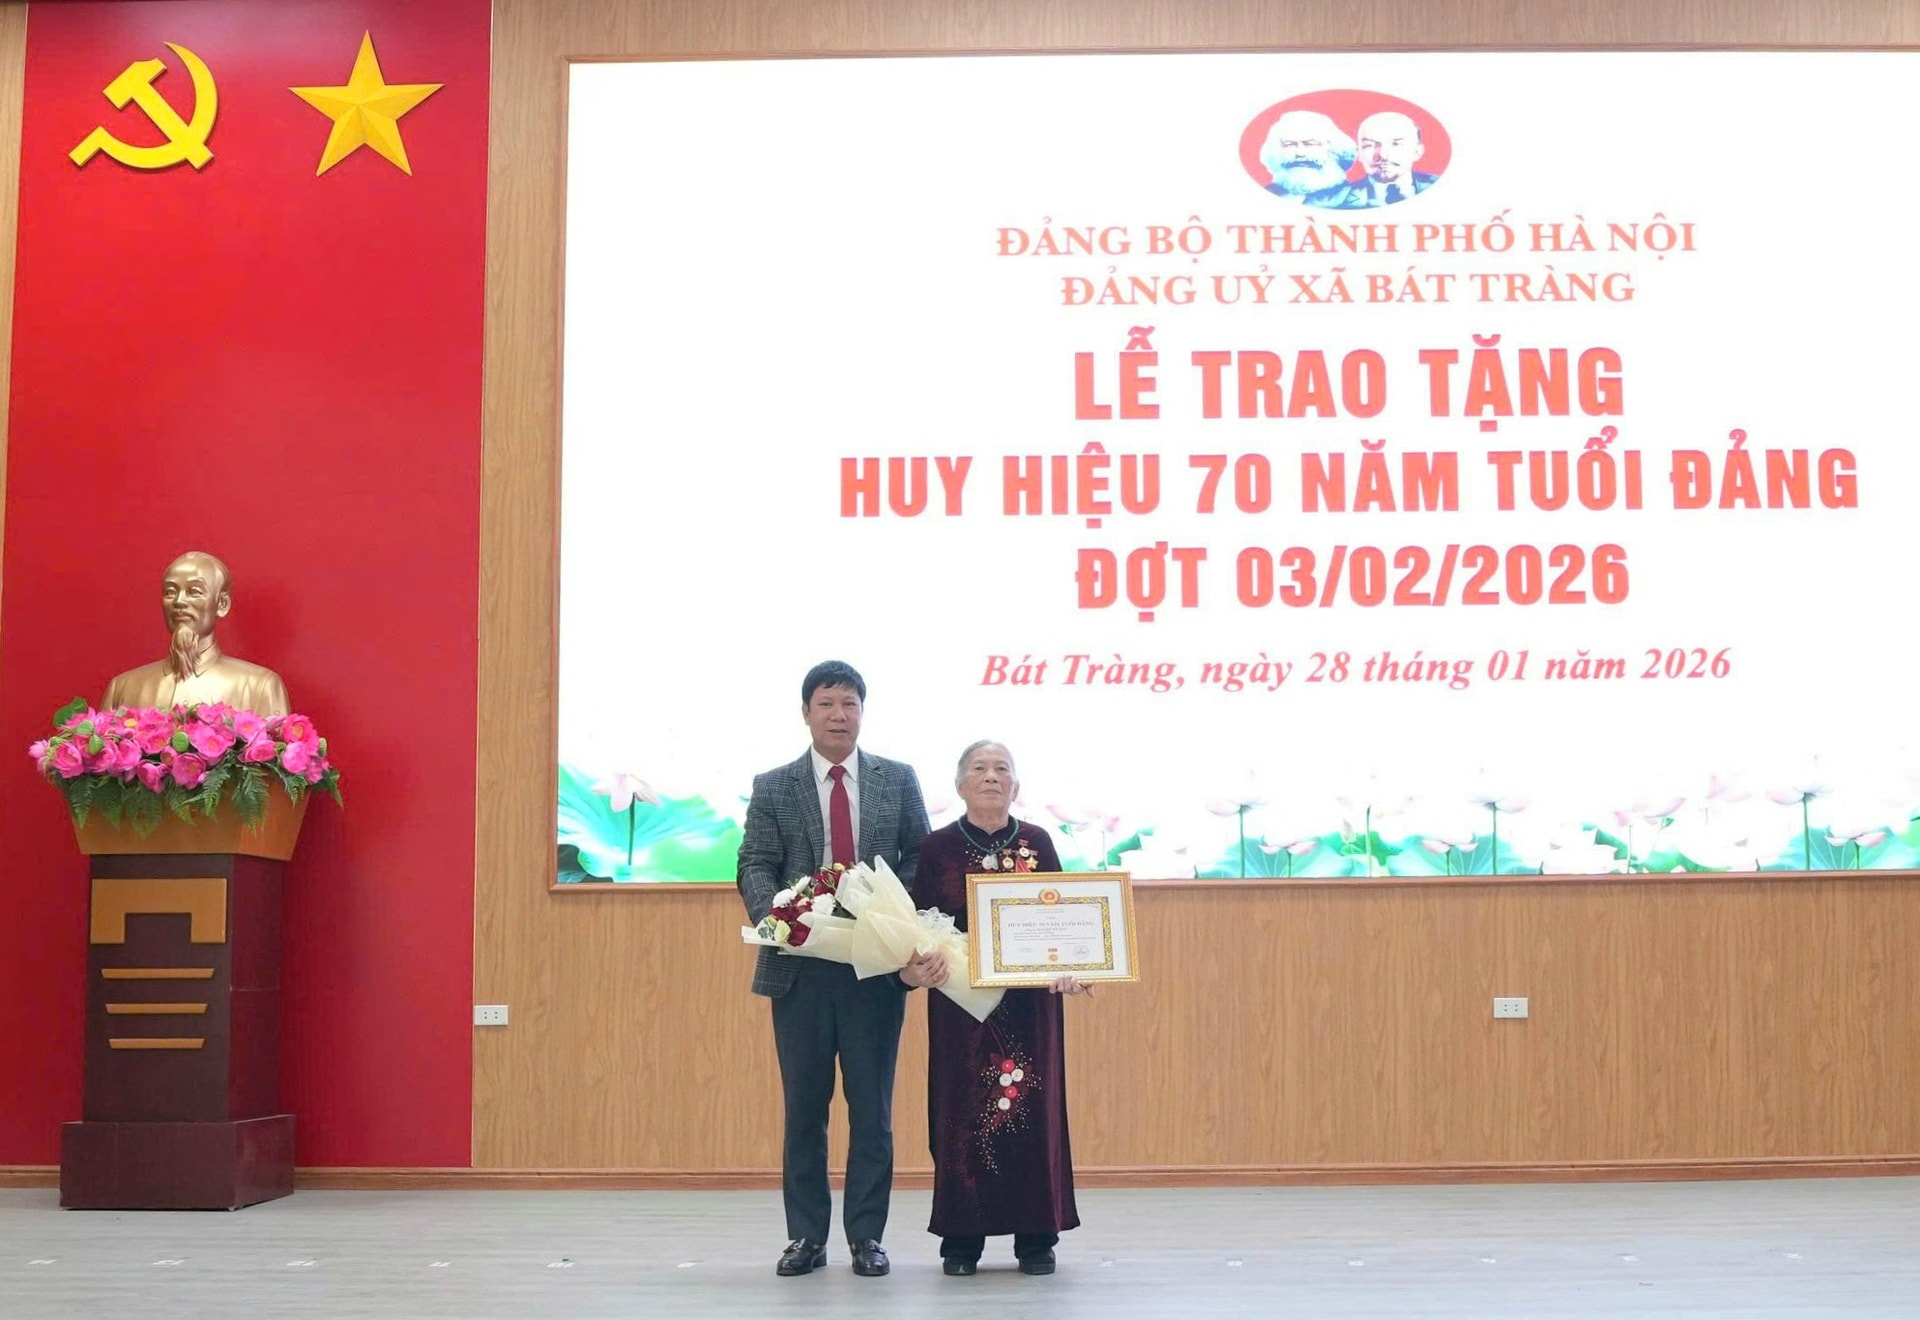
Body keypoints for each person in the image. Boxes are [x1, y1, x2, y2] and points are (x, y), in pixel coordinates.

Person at [737, 660, 941, 1279]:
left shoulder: (896, 779)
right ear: (806, 712)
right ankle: (805, 1237)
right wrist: (778, 917)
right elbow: (754, 863)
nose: (838, 715)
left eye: (850, 704)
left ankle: (866, 1238)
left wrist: (890, 917)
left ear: (862, 713)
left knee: (871, 1109)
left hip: (873, 967)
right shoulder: (774, 785)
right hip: (799, 966)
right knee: (805, 1108)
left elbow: (921, 858)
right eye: (826, 704)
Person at [910, 740, 1089, 1276]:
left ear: (1016, 786)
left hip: (1031, 1007)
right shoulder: (936, 847)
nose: (991, 776)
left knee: (1034, 1114)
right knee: (961, 1112)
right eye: (979, 768)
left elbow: (1066, 918)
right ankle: (962, 1240)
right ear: (959, 784)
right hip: (961, 1006)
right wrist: (920, 960)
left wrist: (1075, 964)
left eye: (1001, 768)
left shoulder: (1037, 841)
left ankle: (1036, 1238)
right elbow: (919, 923)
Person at [102, 551, 291, 715]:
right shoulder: (123, 688)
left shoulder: (259, 687)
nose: (179, 601)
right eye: (170, 592)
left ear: (222, 604)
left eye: (194, 591)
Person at [1258, 109, 1366, 209]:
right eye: (1289, 144)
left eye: (1309, 144)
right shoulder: (1264, 195)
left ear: (1333, 150)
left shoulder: (1352, 197)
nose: (1300, 153)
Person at [1353, 110, 1439, 206]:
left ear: (1417, 151)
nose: (1383, 154)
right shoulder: (1341, 198)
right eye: (1369, 145)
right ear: (1358, 153)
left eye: (1396, 144)